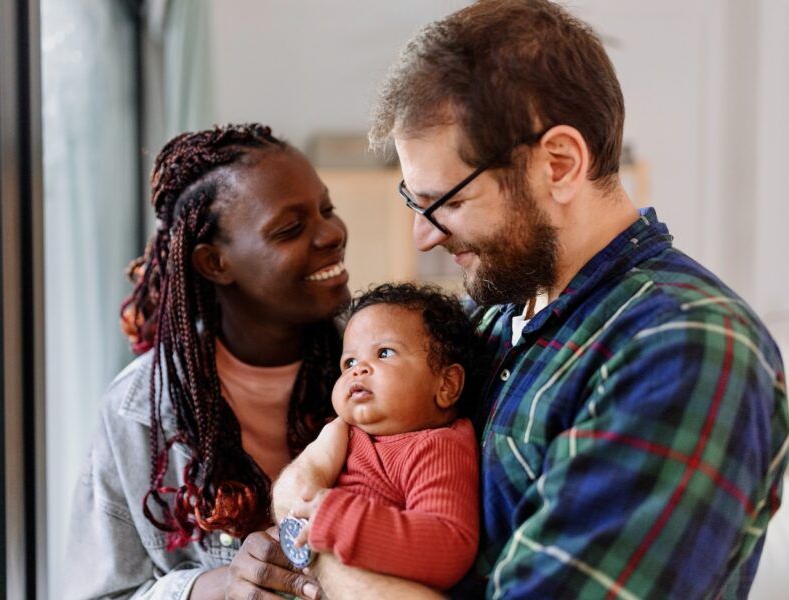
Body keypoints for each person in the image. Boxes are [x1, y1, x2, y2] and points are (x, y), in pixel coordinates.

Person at [272, 1, 789, 598]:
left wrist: (315, 551)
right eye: (417, 204)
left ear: (560, 164)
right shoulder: (491, 313)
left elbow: (308, 517)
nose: (425, 235)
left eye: (450, 203)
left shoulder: (686, 348)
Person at [64, 123, 351, 600]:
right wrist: (214, 587)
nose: (332, 234)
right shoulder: (138, 412)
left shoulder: (388, 364)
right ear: (214, 263)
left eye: (327, 210)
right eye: (291, 228)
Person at [275, 283, 482, 590]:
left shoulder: (435, 446)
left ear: (446, 385)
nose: (358, 371)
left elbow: (448, 545)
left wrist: (339, 518)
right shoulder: (342, 435)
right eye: (350, 362)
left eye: (384, 353)